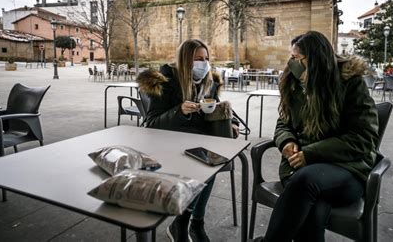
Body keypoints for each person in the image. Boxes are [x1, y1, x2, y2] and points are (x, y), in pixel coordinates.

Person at [256, 31, 379, 242]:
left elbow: (363, 137)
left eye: (297, 58)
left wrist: (310, 154)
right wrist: (287, 141)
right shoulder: (294, 83)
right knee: (313, 209)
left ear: (316, 60)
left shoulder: (350, 84)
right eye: (291, 57)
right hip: (300, 168)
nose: (292, 63)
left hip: (347, 169)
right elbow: (283, 122)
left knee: (305, 182)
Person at [137, 39, 239, 242]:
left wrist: (232, 122)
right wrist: (179, 111)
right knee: (206, 163)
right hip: (170, 144)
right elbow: (151, 124)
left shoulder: (208, 81)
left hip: (200, 142)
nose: (204, 64)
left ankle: (193, 223)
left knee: (212, 160)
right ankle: (184, 224)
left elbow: (216, 106)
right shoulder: (164, 81)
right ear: (185, 61)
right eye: (198, 59)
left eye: (206, 59)